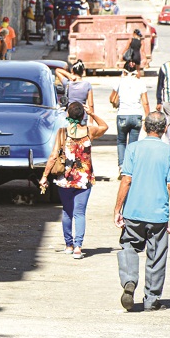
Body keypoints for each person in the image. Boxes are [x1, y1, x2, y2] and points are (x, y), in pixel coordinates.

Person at [114, 111, 170, 312]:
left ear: (144, 127)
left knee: (128, 246)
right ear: (165, 129)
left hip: (133, 211)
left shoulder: (133, 149)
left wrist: (118, 208)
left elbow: (126, 180)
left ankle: (129, 281)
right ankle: (151, 299)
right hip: (158, 214)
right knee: (157, 256)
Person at [39, 102, 108, 259]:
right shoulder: (90, 131)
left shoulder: (62, 133)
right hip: (84, 179)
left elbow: (53, 156)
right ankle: (78, 247)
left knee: (67, 211)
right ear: (82, 115)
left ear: (67, 115)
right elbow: (104, 126)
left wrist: (44, 176)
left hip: (66, 179)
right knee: (80, 213)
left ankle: (68, 245)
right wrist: (92, 113)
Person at [110, 60, 150, 180]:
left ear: (124, 70)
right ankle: (130, 170)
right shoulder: (141, 83)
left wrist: (116, 103)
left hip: (122, 115)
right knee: (133, 144)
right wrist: (147, 120)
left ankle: (122, 167)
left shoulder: (119, 81)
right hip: (136, 116)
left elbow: (112, 98)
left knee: (121, 142)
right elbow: (145, 102)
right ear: (136, 71)